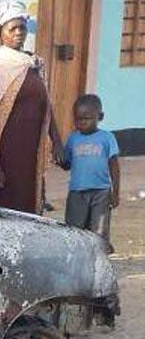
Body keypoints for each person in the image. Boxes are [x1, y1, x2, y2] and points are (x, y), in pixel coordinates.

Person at [0, 1, 64, 214]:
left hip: (30, 148)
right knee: (4, 199)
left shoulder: (33, 63)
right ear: (0, 33)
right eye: (12, 28)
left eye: (22, 27)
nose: (18, 33)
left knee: (28, 198)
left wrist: (57, 140)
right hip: (4, 150)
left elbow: (46, 105)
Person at [62, 94, 121, 245]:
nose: (81, 123)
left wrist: (116, 192)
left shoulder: (107, 138)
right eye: (77, 119)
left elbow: (114, 166)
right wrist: (59, 160)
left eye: (86, 119)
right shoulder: (73, 139)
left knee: (99, 230)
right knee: (74, 228)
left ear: (100, 117)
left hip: (101, 191)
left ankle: (99, 256)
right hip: (77, 191)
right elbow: (67, 164)